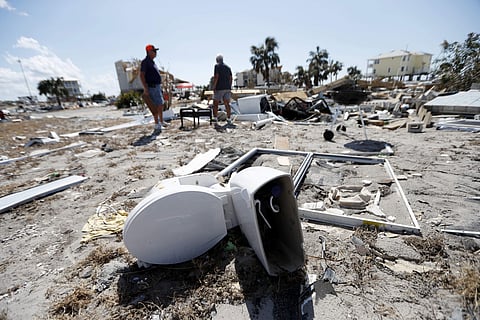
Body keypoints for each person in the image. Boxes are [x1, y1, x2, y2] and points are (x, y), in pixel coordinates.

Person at [140, 44, 168, 132]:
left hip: (157, 86)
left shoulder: (152, 62)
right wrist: (145, 88)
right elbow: (142, 75)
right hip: (151, 87)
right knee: (155, 105)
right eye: (154, 51)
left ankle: (161, 121)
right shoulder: (145, 62)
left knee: (161, 104)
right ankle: (157, 124)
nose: (155, 53)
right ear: (149, 52)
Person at [212, 54, 233, 124]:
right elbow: (231, 78)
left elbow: (216, 76)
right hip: (227, 88)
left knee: (215, 103)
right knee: (227, 104)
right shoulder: (228, 67)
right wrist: (229, 86)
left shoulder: (217, 66)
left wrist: (214, 86)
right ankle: (229, 118)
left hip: (219, 88)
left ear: (217, 60)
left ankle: (215, 118)